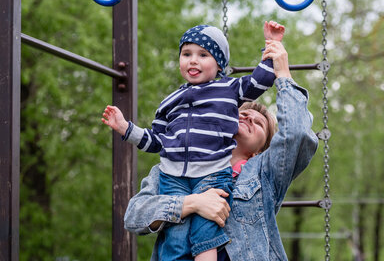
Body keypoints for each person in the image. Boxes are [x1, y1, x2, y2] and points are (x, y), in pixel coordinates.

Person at [102, 22, 286, 260]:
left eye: (203, 55)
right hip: (175, 174)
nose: (193, 61)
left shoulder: (228, 90)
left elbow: (260, 81)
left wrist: (272, 45)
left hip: (212, 173)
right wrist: (127, 128)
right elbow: (157, 141)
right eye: (186, 54)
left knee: (205, 232)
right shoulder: (170, 102)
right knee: (176, 238)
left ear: (219, 65)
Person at [123, 40, 319, 261]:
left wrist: (282, 74)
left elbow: (297, 133)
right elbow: (134, 216)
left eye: (259, 123)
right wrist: (192, 203)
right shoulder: (174, 166)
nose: (248, 118)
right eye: (242, 114)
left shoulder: (264, 172)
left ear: (260, 150)